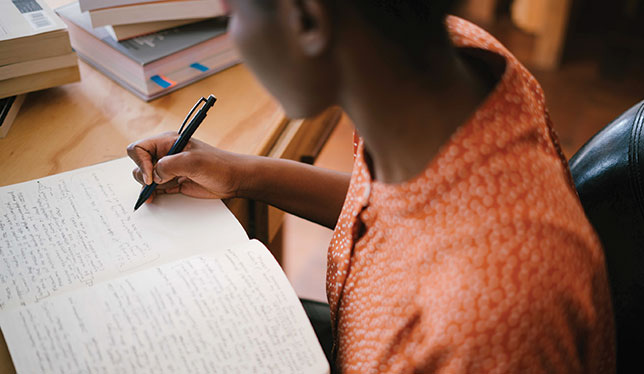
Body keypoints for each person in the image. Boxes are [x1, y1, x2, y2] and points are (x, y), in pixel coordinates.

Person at [127, 0, 616, 372]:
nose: (233, 36)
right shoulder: (442, 68)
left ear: (308, 20)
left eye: (230, 14)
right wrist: (241, 173)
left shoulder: (489, 322)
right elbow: (393, 215)